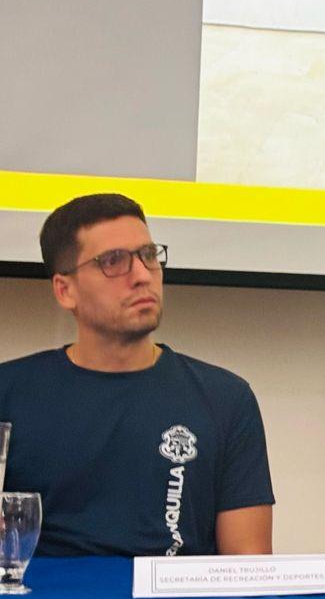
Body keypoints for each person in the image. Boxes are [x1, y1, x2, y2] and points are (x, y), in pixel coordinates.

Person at [0, 194, 274, 557]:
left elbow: (249, 569)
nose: (143, 276)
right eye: (114, 262)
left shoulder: (226, 399)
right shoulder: (10, 393)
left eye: (148, 256)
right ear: (65, 290)